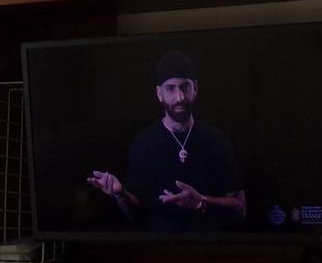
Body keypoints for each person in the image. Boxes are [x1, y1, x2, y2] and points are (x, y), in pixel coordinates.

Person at [87, 50, 246, 233]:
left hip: (209, 250)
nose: (179, 97)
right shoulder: (144, 143)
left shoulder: (217, 140)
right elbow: (136, 216)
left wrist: (201, 201)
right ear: (159, 93)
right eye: (171, 88)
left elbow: (240, 209)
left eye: (185, 86)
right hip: (158, 252)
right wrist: (120, 194)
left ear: (195, 88)